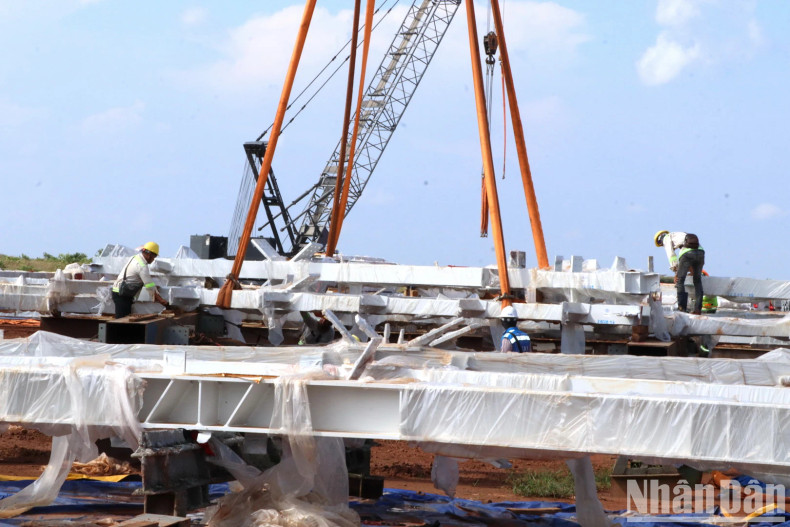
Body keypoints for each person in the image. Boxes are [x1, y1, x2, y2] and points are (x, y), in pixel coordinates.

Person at [111, 242, 168, 318]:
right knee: (121, 321)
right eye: (154, 257)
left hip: (122, 292)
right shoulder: (141, 266)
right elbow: (149, 285)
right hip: (121, 294)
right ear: (149, 254)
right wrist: (161, 301)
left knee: (125, 319)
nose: (153, 259)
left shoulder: (135, 257)